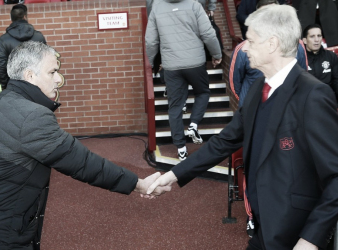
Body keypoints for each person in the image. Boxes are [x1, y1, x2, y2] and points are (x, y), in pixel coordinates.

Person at [148, 5, 338, 250]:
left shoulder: (313, 95)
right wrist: (172, 176)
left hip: (296, 234)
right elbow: (224, 141)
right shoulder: (259, 87)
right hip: (263, 227)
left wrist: (310, 240)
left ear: (272, 44)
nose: (244, 47)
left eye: (250, 40)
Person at [0, 41, 167, 250]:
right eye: (52, 72)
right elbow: (83, 163)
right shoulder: (31, 116)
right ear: (30, 76)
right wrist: (138, 183)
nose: (59, 80)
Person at [145, 0, 222, 161]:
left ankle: (181, 148)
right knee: (203, 92)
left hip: (171, 66)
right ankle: (194, 124)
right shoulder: (194, 5)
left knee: (175, 108)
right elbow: (208, 33)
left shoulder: (157, 6)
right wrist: (216, 54)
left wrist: (152, 63)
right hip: (195, 62)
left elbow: (151, 41)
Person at [0, 4, 46, 90]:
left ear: (11, 18)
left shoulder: (4, 39)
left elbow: (0, 66)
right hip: (36, 84)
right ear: (25, 17)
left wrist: (6, 85)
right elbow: (45, 61)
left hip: (15, 86)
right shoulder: (38, 37)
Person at [302, 24, 338, 103]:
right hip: (307, 101)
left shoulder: (331, 56)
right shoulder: (300, 59)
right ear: (304, 40)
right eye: (312, 36)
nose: (316, 40)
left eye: (319, 36)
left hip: (328, 100)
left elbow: (336, 81)